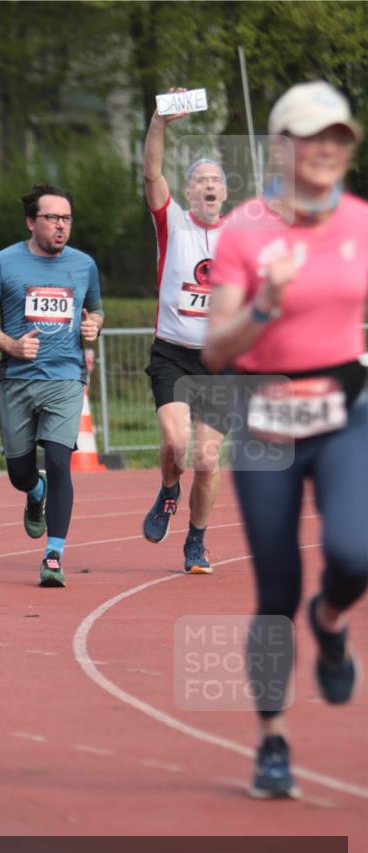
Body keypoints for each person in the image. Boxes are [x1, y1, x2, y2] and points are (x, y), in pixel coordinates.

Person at [203, 80, 367, 798]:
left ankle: (329, 623)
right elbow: (213, 350)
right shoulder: (243, 229)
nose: (328, 148)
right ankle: (271, 738)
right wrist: (265, 305)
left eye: (339, 136)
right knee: (275, 589)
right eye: (313, 136)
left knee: (355, 551)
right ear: (282, 147)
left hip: (343, 412)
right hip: (263, 419)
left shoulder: (361, 222)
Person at [0, 183, 104, 587]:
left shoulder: (83, 265)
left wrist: (94, 323)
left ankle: (54, 554)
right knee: (19, 472)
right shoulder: (4, 263)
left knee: (61, 461)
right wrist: (9, 343)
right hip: (17, 380)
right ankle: (34, 489)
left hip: (65, 377)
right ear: (32, 222)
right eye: (52, 218)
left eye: (66, 219)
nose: (61, 226)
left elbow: (95, 308)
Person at [142, 88, 229, 573]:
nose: (208, 185)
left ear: (225, 192)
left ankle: (196, 541)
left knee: (208, 460)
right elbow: (152, 172)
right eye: (199, 179)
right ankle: (168, 491)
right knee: (176, 445)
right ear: (190, 192)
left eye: (216, 179)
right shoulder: (172, 223)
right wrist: (160, 119)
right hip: (173, 354)